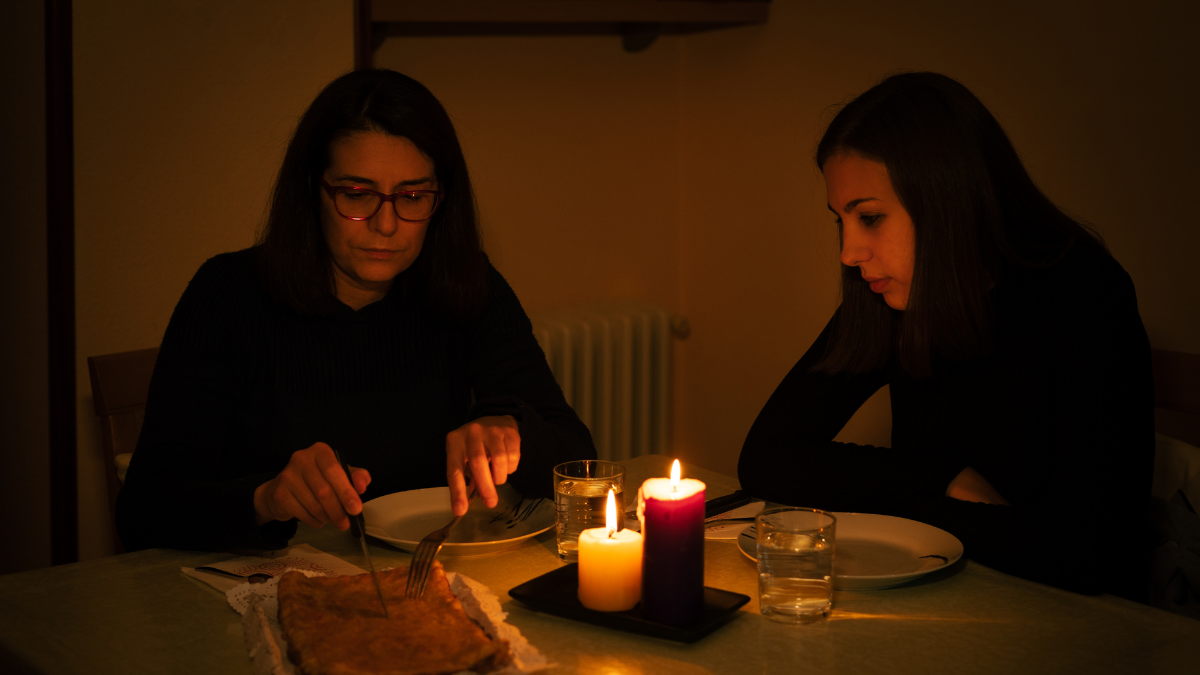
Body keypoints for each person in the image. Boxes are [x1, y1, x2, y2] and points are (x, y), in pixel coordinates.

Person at [116, 69, 596, 552]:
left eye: (412, 197)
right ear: (313, 189)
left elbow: (579, 458)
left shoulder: (466, 285)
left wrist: (512, 429)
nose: (386, 225)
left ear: (441, 197)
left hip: (429, 586)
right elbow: (144, 510)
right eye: (357, 194)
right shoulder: (229, 295)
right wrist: (268, 499)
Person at [738, 72, 1153, 597]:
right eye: (840, 221)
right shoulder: (889, 295)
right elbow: (768, 457)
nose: (849, 253)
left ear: (945, 198)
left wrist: (916, 501)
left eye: (869, 217)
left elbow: (1088, 556)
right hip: (940, 598)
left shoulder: (1083, 294)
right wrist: (940, 476)